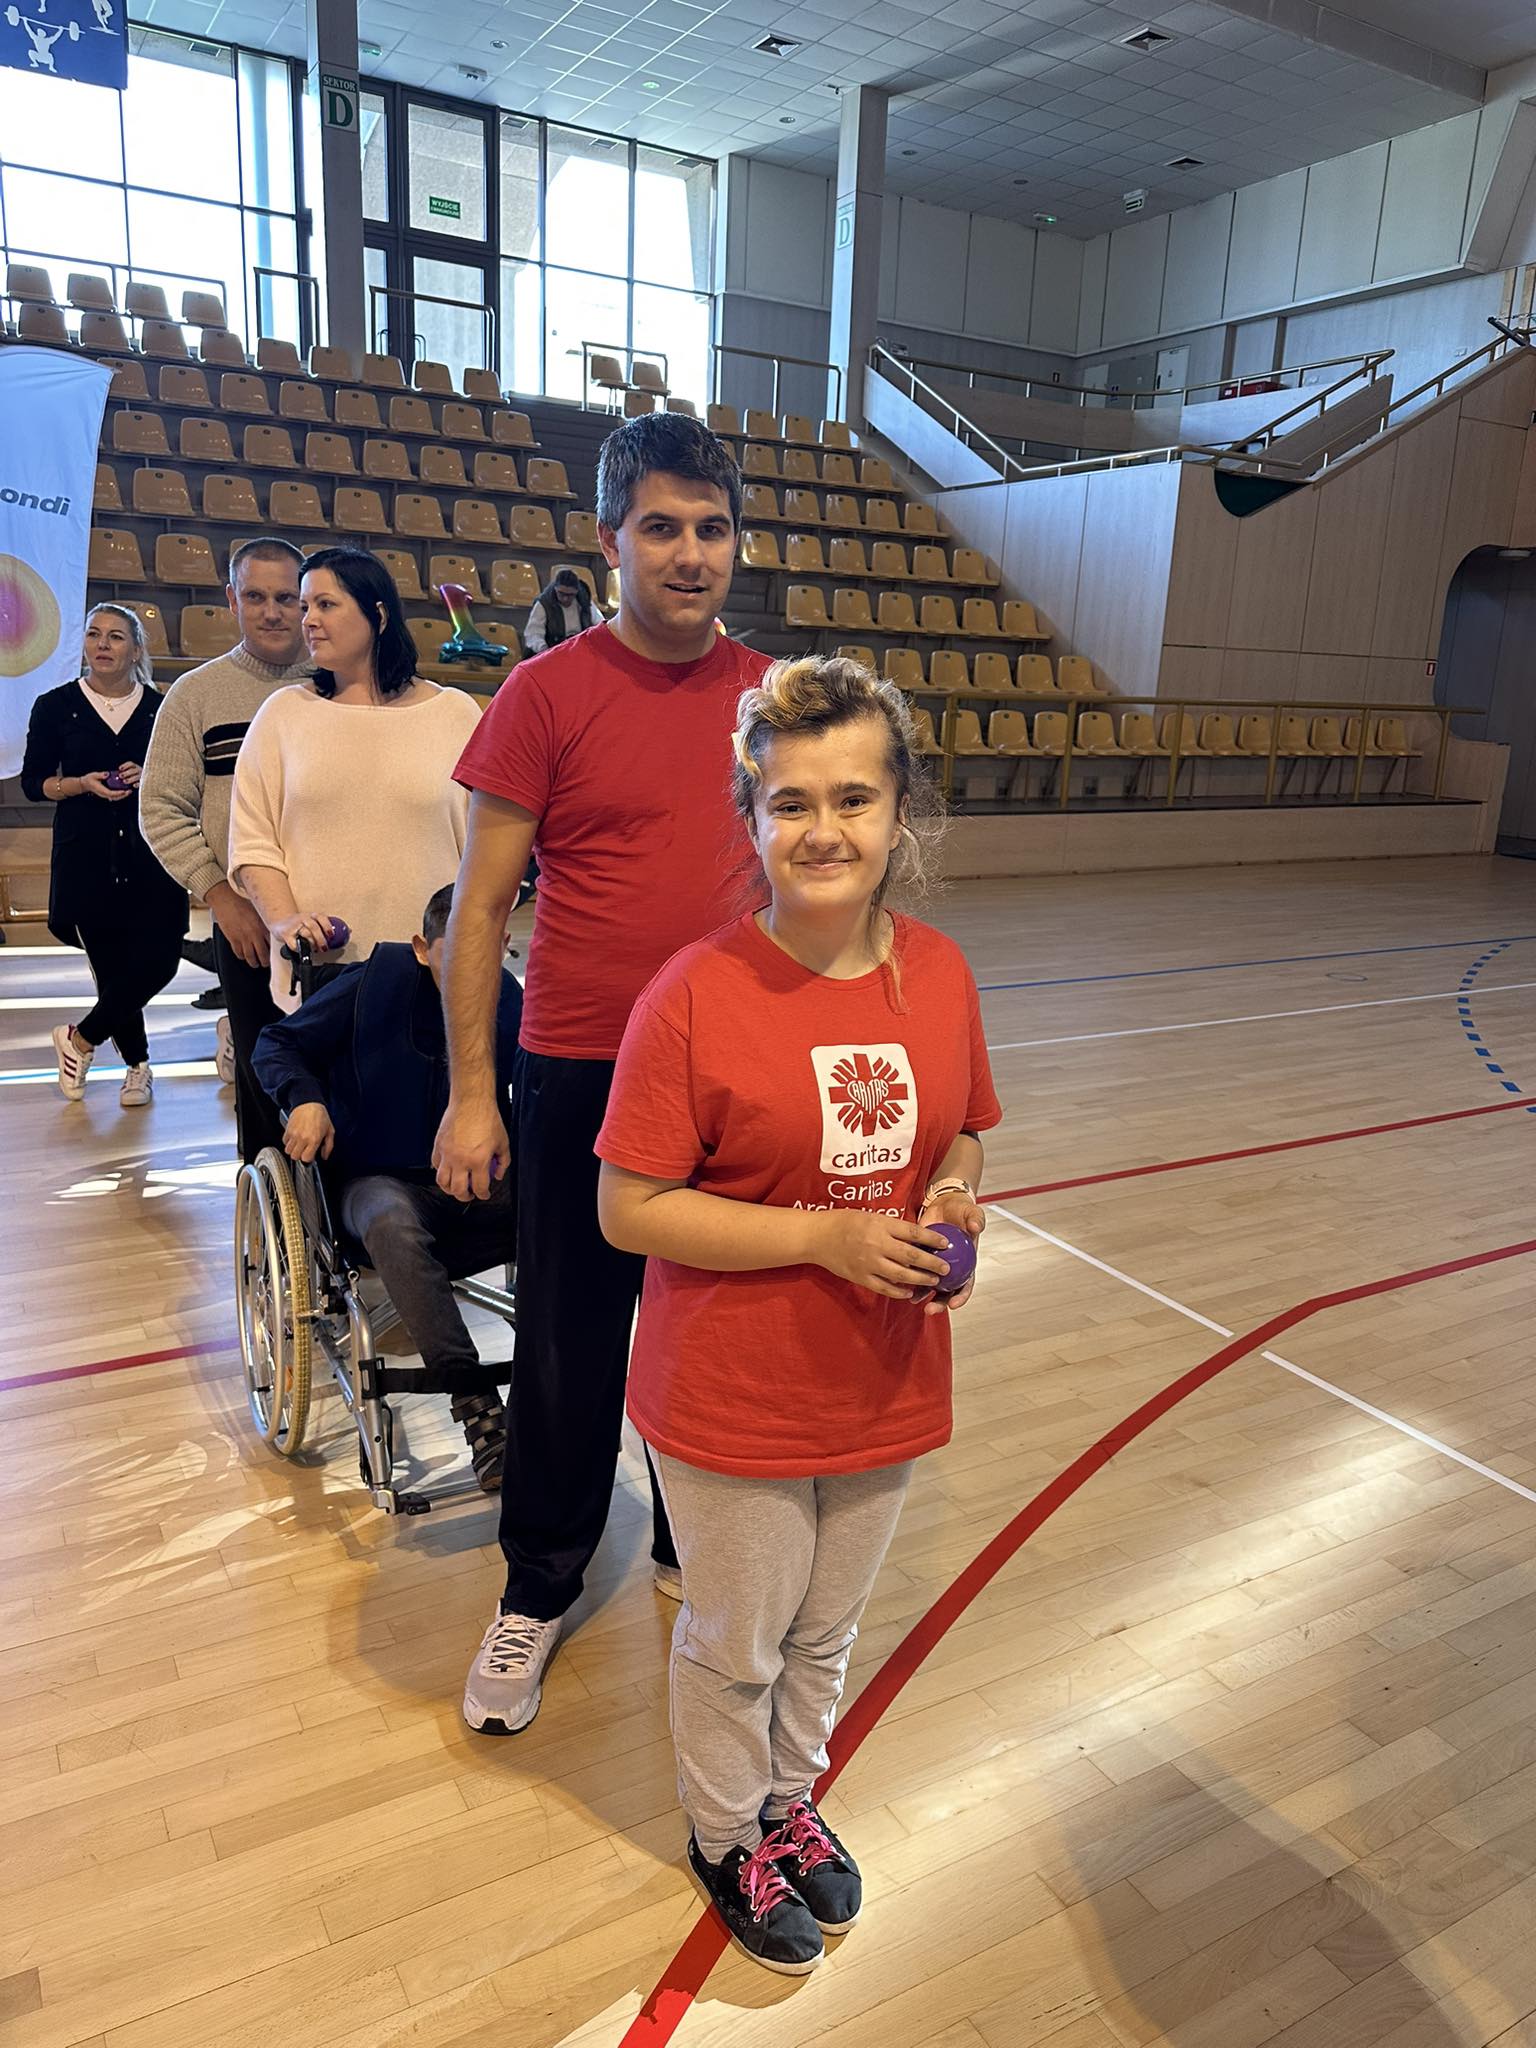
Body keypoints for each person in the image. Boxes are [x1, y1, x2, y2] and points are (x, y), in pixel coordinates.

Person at [595, 655, 1001, 1973]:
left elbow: (965, 1132)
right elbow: (629, 1208)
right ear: (751, 815)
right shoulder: (694, 993)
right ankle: (726, 1835)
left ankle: (786, 1803)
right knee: (739, 1641)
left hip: (883, 1379)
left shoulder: (940, 973)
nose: (824, 830)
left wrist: (953, 1192)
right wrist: (824, 1237)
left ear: (900, 811)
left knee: (822, 1633)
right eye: (791, 803)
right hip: (734, 1391)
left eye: (854, 798)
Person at [435, 411, 771, 1738]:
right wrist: (474, 1093)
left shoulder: (777, 699)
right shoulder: (544, 693)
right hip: (583, 1065)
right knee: (572, 1343)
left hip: (737, 1071)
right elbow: (479, 910)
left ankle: (700, 1538)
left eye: (712, 529)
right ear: (609, 539)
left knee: (722, 1325)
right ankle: (539, 1582)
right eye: (662, 528)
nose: (690, 554)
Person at [250, 884, 517, 1489]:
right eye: (454, 954)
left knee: (563, 1198)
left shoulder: (509, 998)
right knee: (391, 1220)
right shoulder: (371, 986)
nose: (471, 972)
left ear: (503, 944)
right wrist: (306, 1098)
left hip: (475, 1184)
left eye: (485, 953)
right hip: (377, 1180)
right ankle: (476, 1406)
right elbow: (276, 1042)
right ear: (422, 948)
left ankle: (558, 1384)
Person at [228, 547, 482, 1013]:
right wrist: (284, 921)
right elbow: (253, 844)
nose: (308, 620)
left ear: (378, 615)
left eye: (325, 604)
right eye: (305, 606)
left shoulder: (456, 714)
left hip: (434, 974)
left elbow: (486, 850)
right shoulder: (283, 714)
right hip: (320, 975)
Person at [139, 537, 311, 1162]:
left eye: (286, 598)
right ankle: (268, 1204)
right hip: (247, 925)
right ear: (232, 600)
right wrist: (221, 897)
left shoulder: (336, 686)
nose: (272, 612)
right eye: (256, 596)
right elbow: (160, 809)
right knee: (265, 1083)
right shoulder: (196, 695)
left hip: (338, 918)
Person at [21, 605, 189, 1107]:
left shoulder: (163, 707)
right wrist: (79, 784)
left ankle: (80, 1038)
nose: (103, 644)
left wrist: (149, 775)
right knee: (113, 967)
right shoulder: (54, 706)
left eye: (116, 636)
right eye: (94, 634)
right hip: (86, 855)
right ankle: (138, 1067)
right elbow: (33, 782)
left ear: (136, 650)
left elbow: (187, 777)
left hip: (152, 849)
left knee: (161, 960)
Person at [521, 566, 596, 655]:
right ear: (555, 589)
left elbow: (599, 623)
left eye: (570, 595)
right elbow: (533, 634)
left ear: (576, 592)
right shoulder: (544, 603)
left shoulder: (584, 601)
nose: (565, 598)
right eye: (561, 593)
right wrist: (543, 649)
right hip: (550, 648)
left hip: (577, 649)